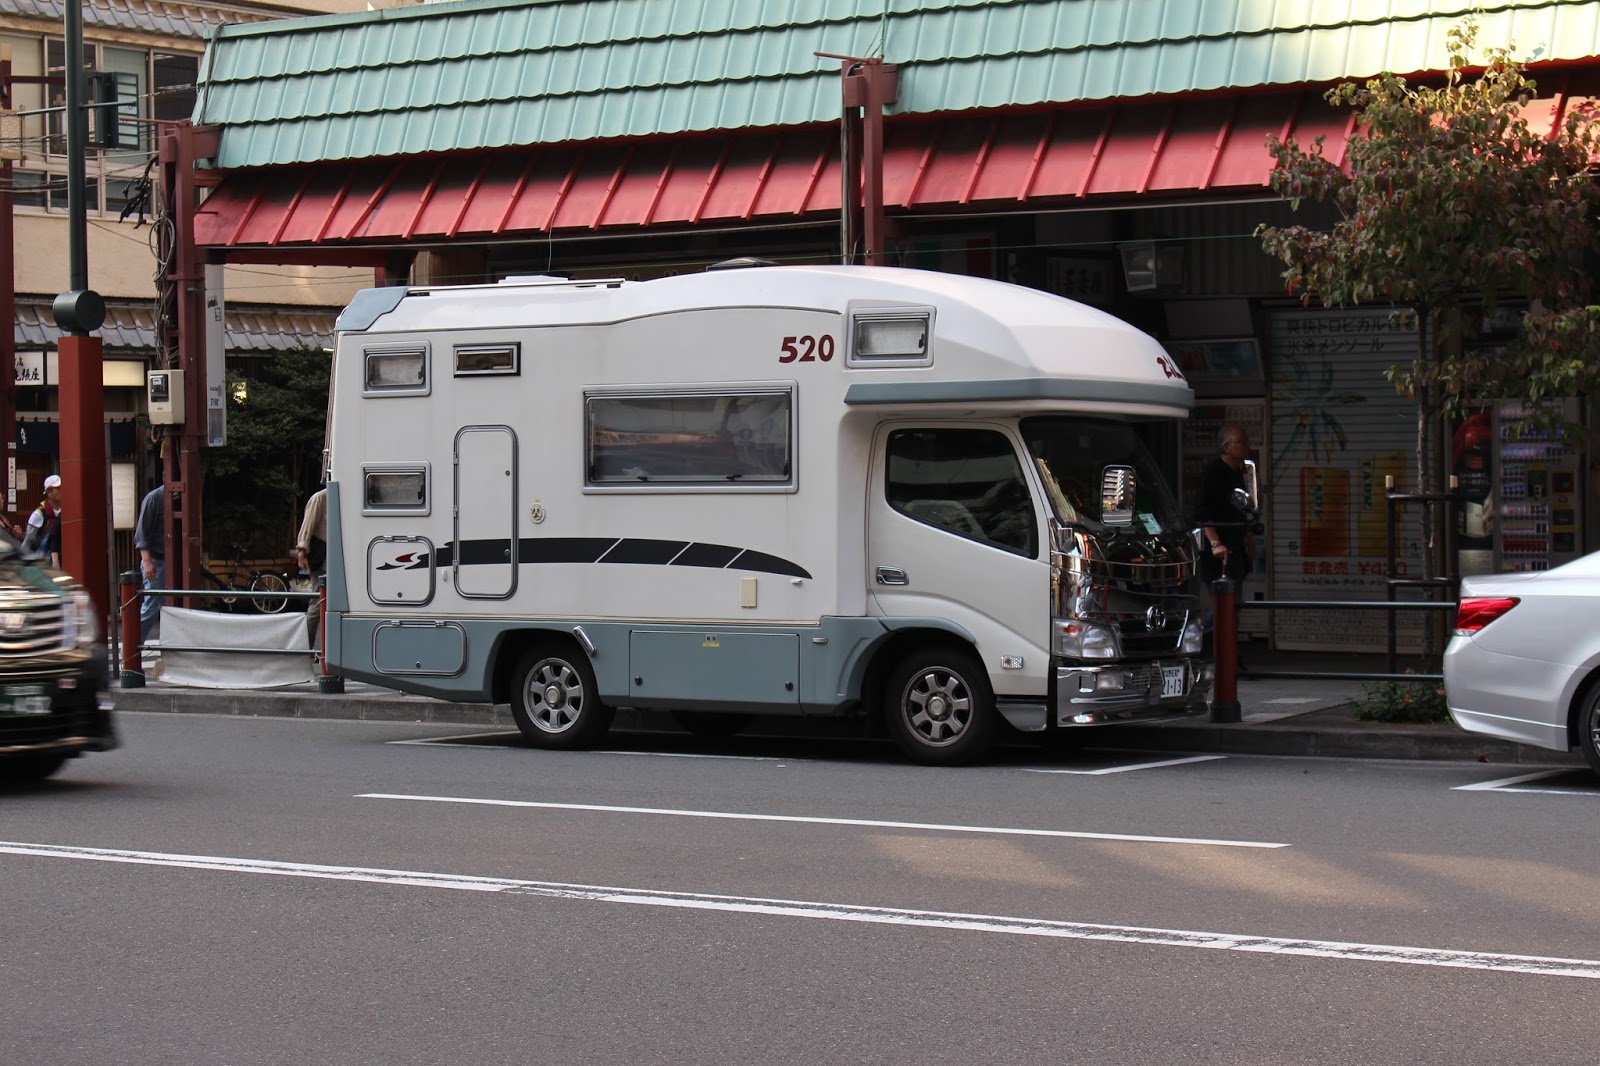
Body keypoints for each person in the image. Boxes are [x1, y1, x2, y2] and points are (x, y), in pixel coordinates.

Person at [1195, 425, 1254, 651]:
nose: (1247, 446)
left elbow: (1243, 508)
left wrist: (1247, 539)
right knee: (1222, 607)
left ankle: (1227, 654)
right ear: (1227, 447)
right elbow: (1203, 513)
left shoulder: (1239, 472)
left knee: (1233, 605)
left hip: (1236, 546)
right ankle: (1200, 646)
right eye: (1242, 442)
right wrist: (1215, 543)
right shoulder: (1214, 472)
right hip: (1218, 552)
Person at [295, 487, 329, 643]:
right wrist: (302, 550)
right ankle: (306, 647)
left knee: (323, 603)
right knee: (317, 602)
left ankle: (324, 648)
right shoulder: (321, 497)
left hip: (334, 555)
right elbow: (307, 525)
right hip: (322, 555)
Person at [134, 483, 166, 642]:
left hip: (169, 560)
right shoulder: (154, 498)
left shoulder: (178, 497)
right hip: (156, 559)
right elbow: (142, 535)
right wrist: (147, 561)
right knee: (151, 607)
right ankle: (133, 648)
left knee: (170, 608)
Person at [21, 474, 62, 567]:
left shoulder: (64, 511)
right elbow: (28, 542)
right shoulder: (39, 514)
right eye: (58, 488)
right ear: (49, 492)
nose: (61, 491)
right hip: (44, 561)